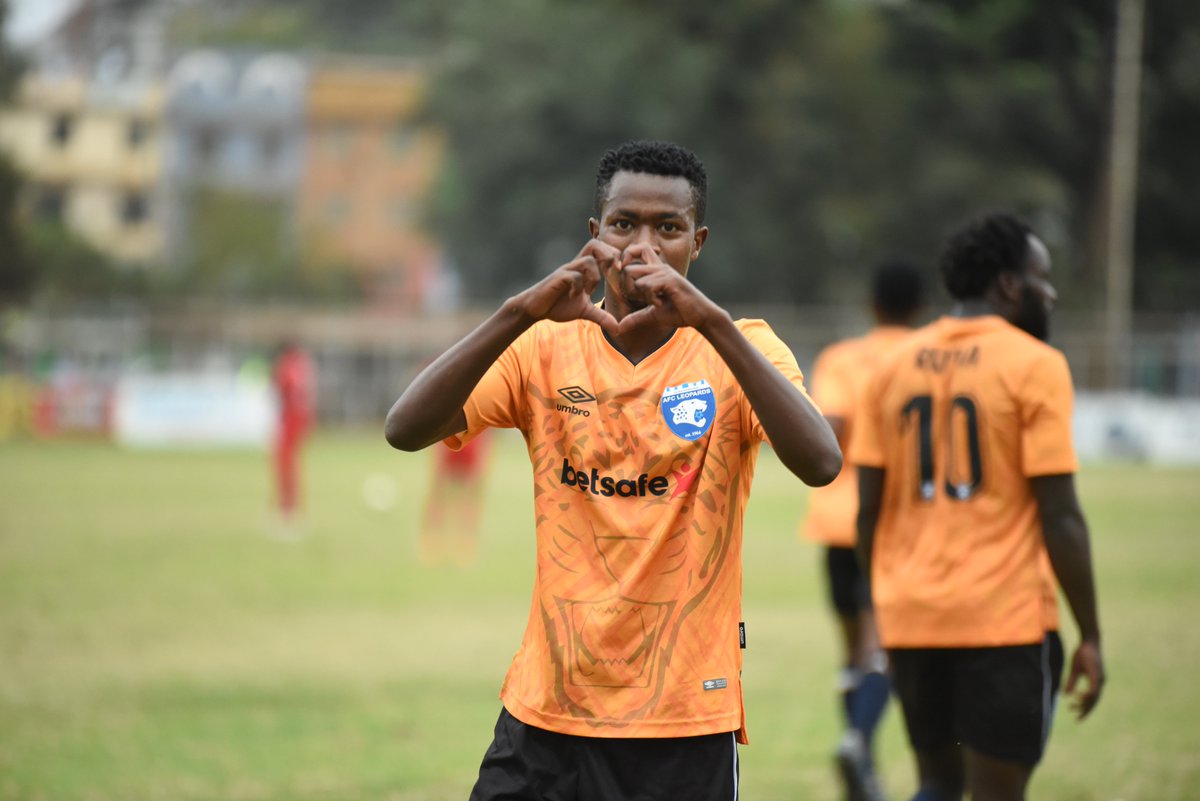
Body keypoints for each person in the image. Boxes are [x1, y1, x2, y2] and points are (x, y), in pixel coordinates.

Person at [385, 139, 841, 801]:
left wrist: (710, 322)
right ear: (595, 234)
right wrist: (518, 312)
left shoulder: (741, 347)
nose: (643, 247)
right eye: (625, 224)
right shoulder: (541, 346)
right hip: (547, 713)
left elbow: (821, 462)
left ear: (698, 243)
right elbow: (405, 428)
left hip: (682, 719)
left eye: (669, 228)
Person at [851, 213, 1105, 801]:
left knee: (937, 784)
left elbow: (866, 513)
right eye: (1042, 278)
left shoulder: (890, 366)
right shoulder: (1036, 364)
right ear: (1010, 285)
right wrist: (1091, 634)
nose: (1051, 293)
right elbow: (1061, 515)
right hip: (1004, 622)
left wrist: (885, 603)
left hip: (912, 616)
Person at [801, 260, 926, 801]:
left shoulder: (842, 358)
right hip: (895, 520)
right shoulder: (927, 357)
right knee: (883, 646)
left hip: (837, 518)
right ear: (920, 307)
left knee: (853, 649)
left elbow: (830, 429)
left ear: (872, 305)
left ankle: (863, 761)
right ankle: (858, 740)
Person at [419, 430, 492, 566]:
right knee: (439, 491)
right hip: (449, 436)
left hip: (473, 438)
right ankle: (432, 542)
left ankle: (465, 544)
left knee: (470, 494)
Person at [271, 339, 316, 533]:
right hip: (297, 420)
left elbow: (289, 393)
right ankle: (290, 509)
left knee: (286, 464)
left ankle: (288, 511)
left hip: (291, 420)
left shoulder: (288, 367)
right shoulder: (302, 365)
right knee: (290, 464)